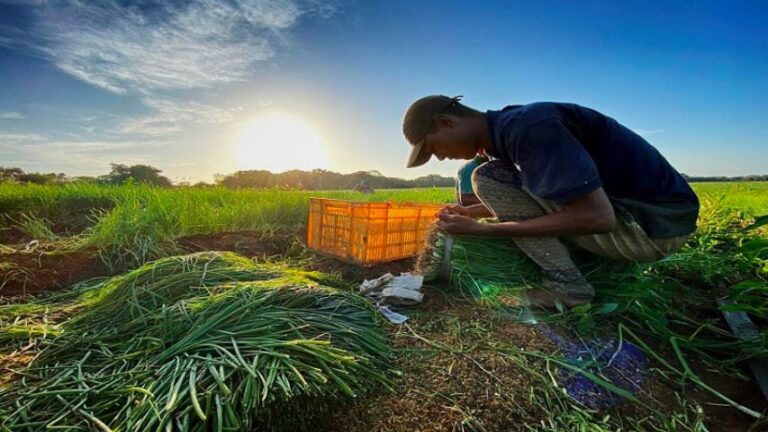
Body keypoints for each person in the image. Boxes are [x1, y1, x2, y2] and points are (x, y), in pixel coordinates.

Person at [402, 95, 699, 308]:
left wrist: (486, 229)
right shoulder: (509, 129)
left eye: (433, 148)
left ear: (445, 121)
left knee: (489, 177)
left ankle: (568, 286)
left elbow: (598, 217)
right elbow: (541, 195)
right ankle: (586, 265)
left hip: (650, 228)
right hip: (656, 219)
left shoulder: (528, 129)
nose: (439, 157)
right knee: (494, 176)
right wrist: (472, 213)